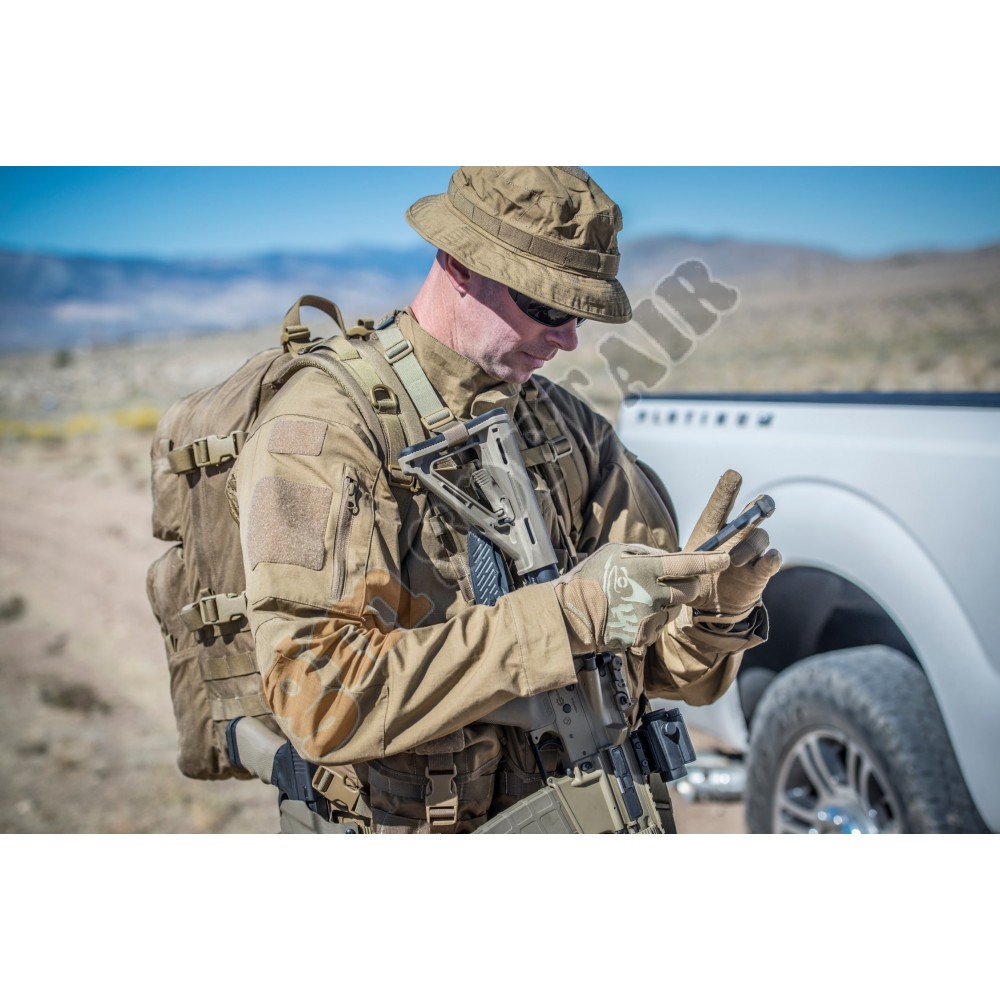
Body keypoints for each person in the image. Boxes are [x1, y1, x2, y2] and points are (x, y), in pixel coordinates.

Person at [232, 165, 781, 833]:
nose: (569, 337)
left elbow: (661, 673)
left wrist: (712, 619)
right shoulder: (323, 431)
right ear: (461, 265)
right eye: (547, 306)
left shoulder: (572, 430)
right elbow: (319, 699)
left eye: (579, 312)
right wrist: (569, 616)